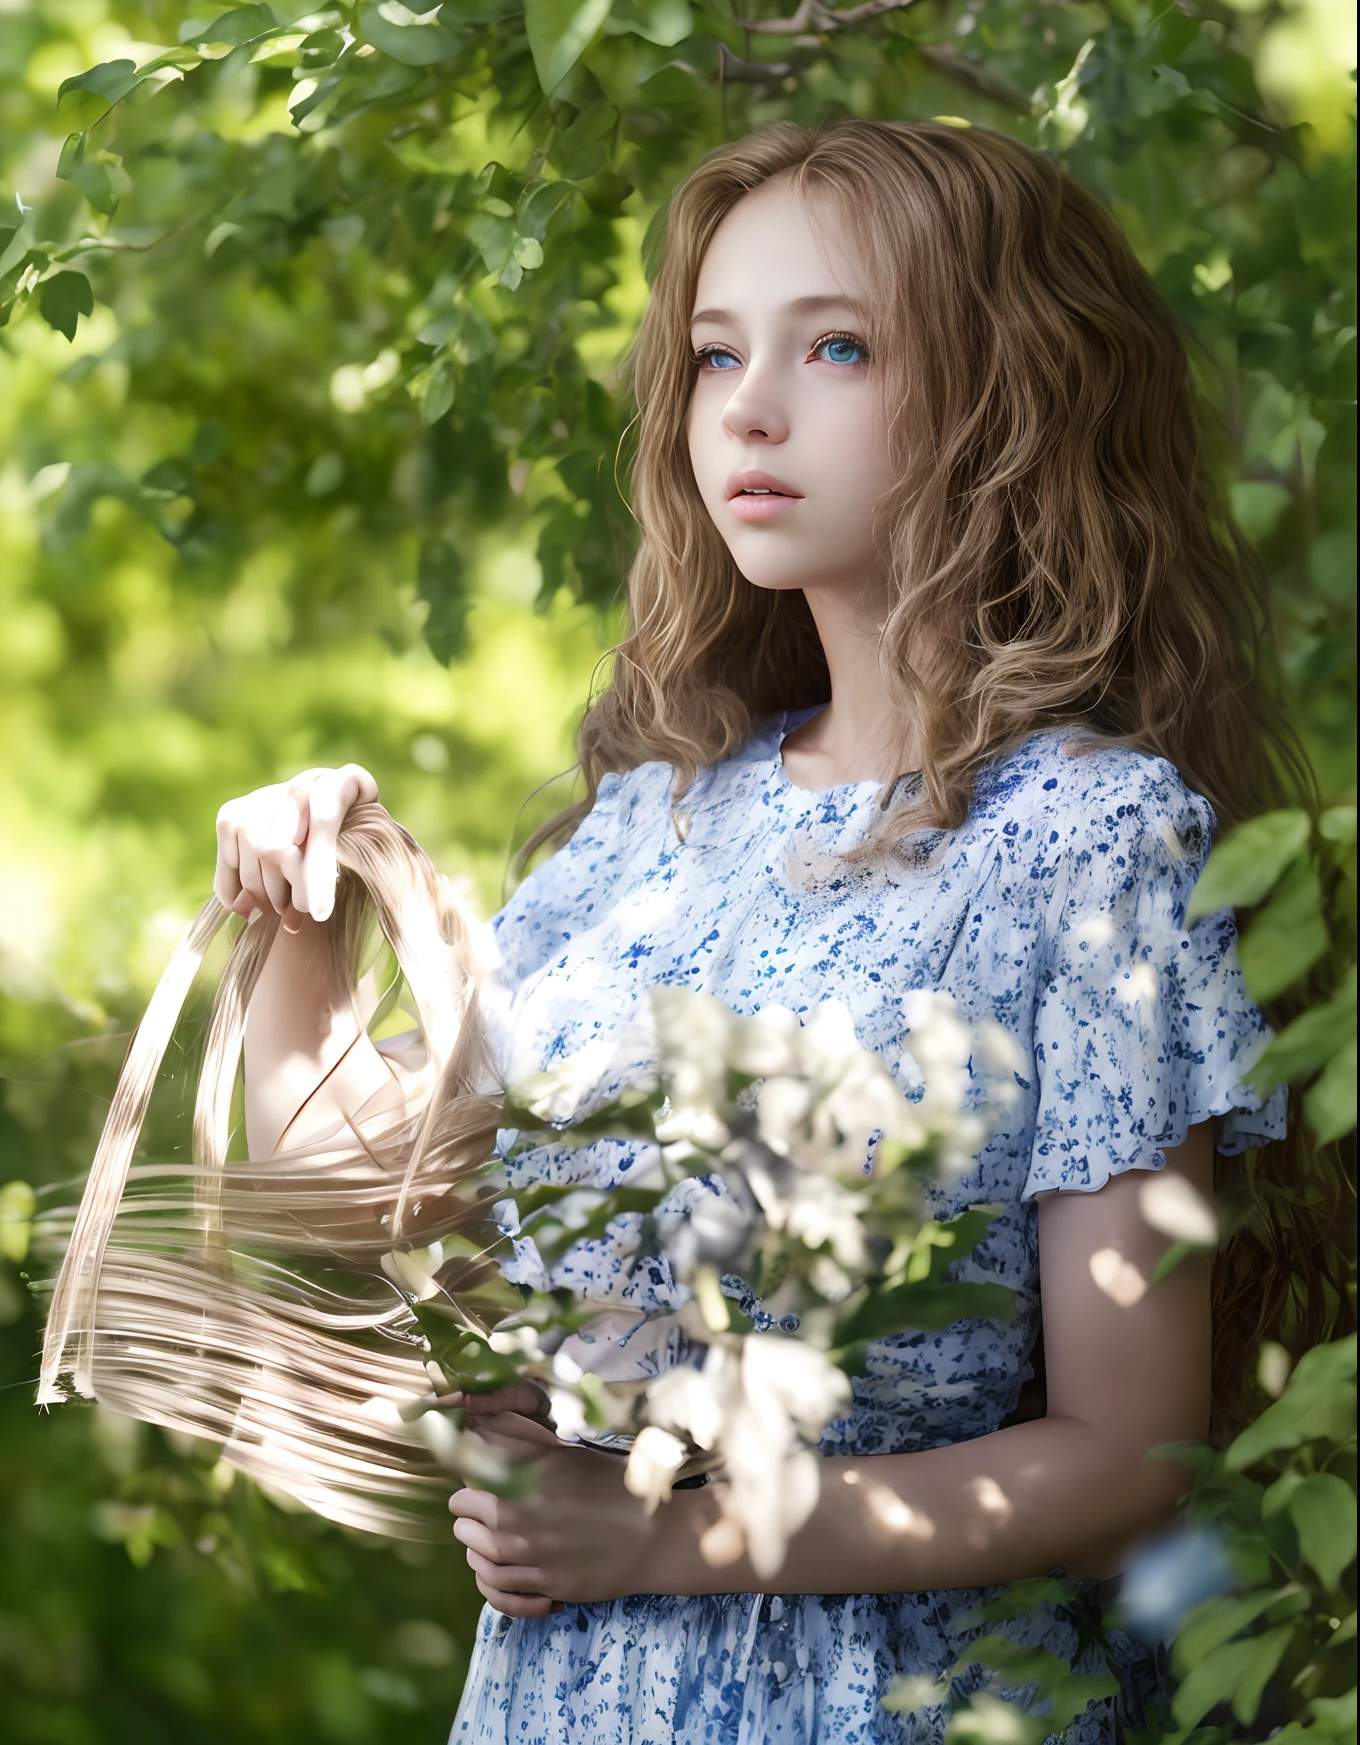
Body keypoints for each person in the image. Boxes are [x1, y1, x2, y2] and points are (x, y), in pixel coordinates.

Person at [213, 121, 1290, 1744]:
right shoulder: (661, 822)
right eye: (717, 356)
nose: (750, 412)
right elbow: (347, 1181)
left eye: (837, 346)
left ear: (1010, 392)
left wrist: (670, 1541)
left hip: (899, 1703)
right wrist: (306, 898)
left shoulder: (1091, 837)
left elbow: (1130, 1459)